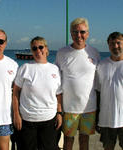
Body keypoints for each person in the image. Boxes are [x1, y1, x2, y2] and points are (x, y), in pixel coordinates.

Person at [55, 17, 100, 150]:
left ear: (88, 33)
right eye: (75, 32)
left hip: (89, 107)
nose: (79, 35)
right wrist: (59, 108)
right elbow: (56, 81)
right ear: (71, 33)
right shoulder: (62, 53)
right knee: (68, 141)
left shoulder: (94, 52)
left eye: (82, 32)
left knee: (84, 141)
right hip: (69, 108)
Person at [13, 36, 62, 150]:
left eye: (40, 47)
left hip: (49, 120)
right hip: (27, 120)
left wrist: (59, 113)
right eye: (34, 48)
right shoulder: (25, 68)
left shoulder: (54, 69)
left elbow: (58, 94)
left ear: (46, 49)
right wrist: (16, 114)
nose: (38, 50)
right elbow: (15, 92)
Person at [96, 32, 123, 150]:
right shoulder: (102, 65)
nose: (115, 46)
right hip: (107, 118)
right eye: (112, 44)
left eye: (118, 43)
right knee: (108, 147)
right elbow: (98, 91)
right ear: (108, 45)